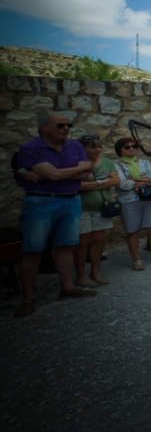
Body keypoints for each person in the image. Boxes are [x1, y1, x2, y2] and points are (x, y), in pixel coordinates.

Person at [14, 112, 97, 317]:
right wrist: (64, 172)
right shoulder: (30, 149)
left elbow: (87, 172)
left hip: (71, 199)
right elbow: (56, 174)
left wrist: (53, 173)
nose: (66, 128)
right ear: (44, 127)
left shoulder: (75, 146)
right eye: (60, 125)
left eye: (68, 124)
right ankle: (28, 297)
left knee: (66, 245)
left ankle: (67, 288)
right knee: (33, 249)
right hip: (41, 201)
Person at [113, 137, 151, 271]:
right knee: (133, 230)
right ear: (120, 150)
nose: (131, 148)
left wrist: (134, 180)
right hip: (129, 200)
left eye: (134, 146)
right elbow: (122, 184)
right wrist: (142, 180)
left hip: (148, 198)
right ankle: (136, 260)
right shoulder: (116, 165)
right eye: (127, 147)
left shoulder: (145, 162)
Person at [75, 136, 119, 287]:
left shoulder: (106, 162)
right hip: (82, 209)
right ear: (83, 148)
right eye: (93, 147)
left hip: (101, 208)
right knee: (82, 243)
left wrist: (91, 185)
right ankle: (81, 275)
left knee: (98, 241)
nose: (97, 150)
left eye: (99, 146)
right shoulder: (77, 163)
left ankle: (96, 271)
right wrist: (101, 183)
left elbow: (115, 181)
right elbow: (77, 186)